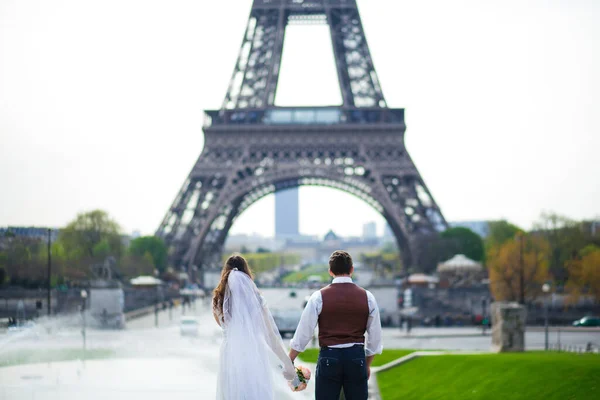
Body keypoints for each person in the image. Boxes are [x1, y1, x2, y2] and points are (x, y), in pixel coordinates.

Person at [289, 250, 383, 400]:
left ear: (330, 272)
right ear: (352, 270)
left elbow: (304, 332)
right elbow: (375, 338)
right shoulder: (368, 297)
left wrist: (291, 358)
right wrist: (366, 364)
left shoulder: (318, 297)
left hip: (329, 357)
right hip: (356, 357)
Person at [212, 255, 296, 399]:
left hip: (229, 355)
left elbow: (226, 327)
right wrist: (287, 363)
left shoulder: (218, 301)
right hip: (253, 353)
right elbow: (271, 337)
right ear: (247, 273)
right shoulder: (256, 301)